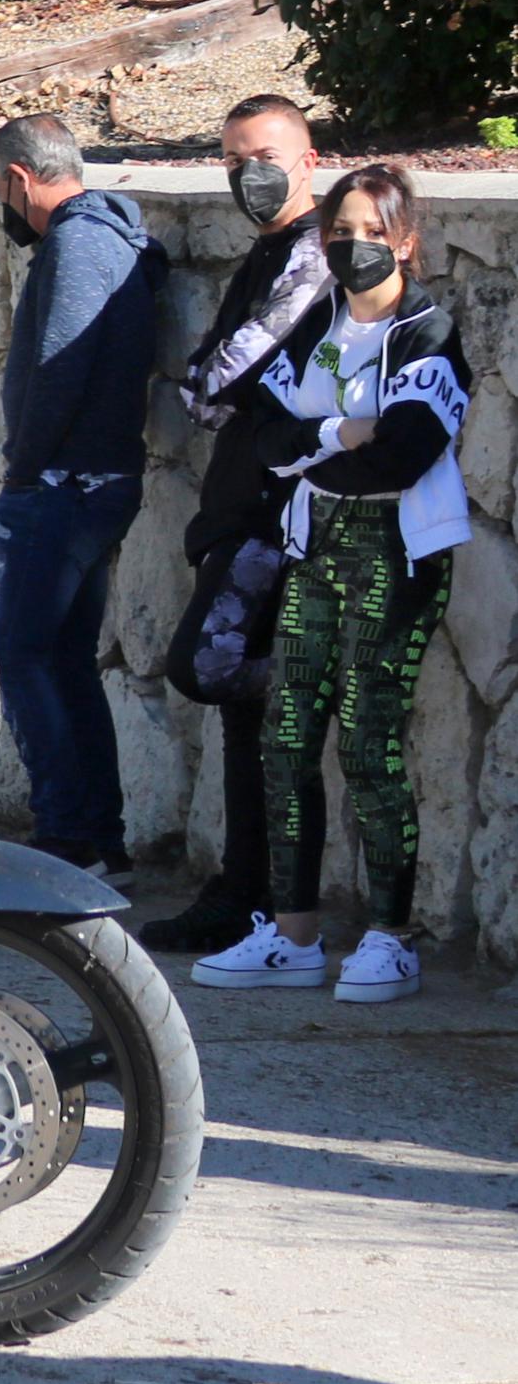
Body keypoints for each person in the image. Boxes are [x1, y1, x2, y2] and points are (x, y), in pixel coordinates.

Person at [193, 166, 465, 1006]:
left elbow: (407, 450)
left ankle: (389, 935)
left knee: (367, 741)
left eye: (370, 233)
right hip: (313, 549)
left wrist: (316, 452)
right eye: (338, 229)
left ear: (404, 241)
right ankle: (293, 933)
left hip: (398, 552)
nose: (350, 245)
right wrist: (338, 429)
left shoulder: (428, 330)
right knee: (285, 738)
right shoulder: (317, 324)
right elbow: (264, 432)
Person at [147, 96, 332, 958]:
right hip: (236, 506)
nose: (244, 174)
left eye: (259, 154)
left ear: (305, 157)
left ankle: (299, 676)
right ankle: (243, 893)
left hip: (273, 511)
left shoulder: (316, 250)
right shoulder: (267, 251)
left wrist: (207, 385)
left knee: (207, 666)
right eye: (228, 160)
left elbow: (223, 372)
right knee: (238, 723)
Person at [0, 111, 169, 874]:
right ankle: (95, 838)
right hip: (85, 483)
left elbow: (60, 364)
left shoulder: (78, 242)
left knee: (19, 651)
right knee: (60, 657)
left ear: (18, 178)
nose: (3, 202)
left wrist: (23, 467)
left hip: (63, 485)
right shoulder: (100, 237)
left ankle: (67, 834)